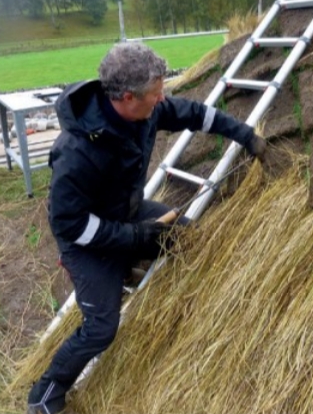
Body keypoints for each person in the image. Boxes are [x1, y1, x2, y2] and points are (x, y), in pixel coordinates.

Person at [27, 42, 266, 414]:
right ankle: (45, 393)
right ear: (126, 97)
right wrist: (134, 237)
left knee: (188, 237)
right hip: (87, 241)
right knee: (101, 326)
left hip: (127, 213)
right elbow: (68, 223)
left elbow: (191, 113)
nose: (162, 99)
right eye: (156, 94)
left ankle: (134, 269)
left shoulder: (144, 111)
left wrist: (244, 134)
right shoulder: (75, 152)